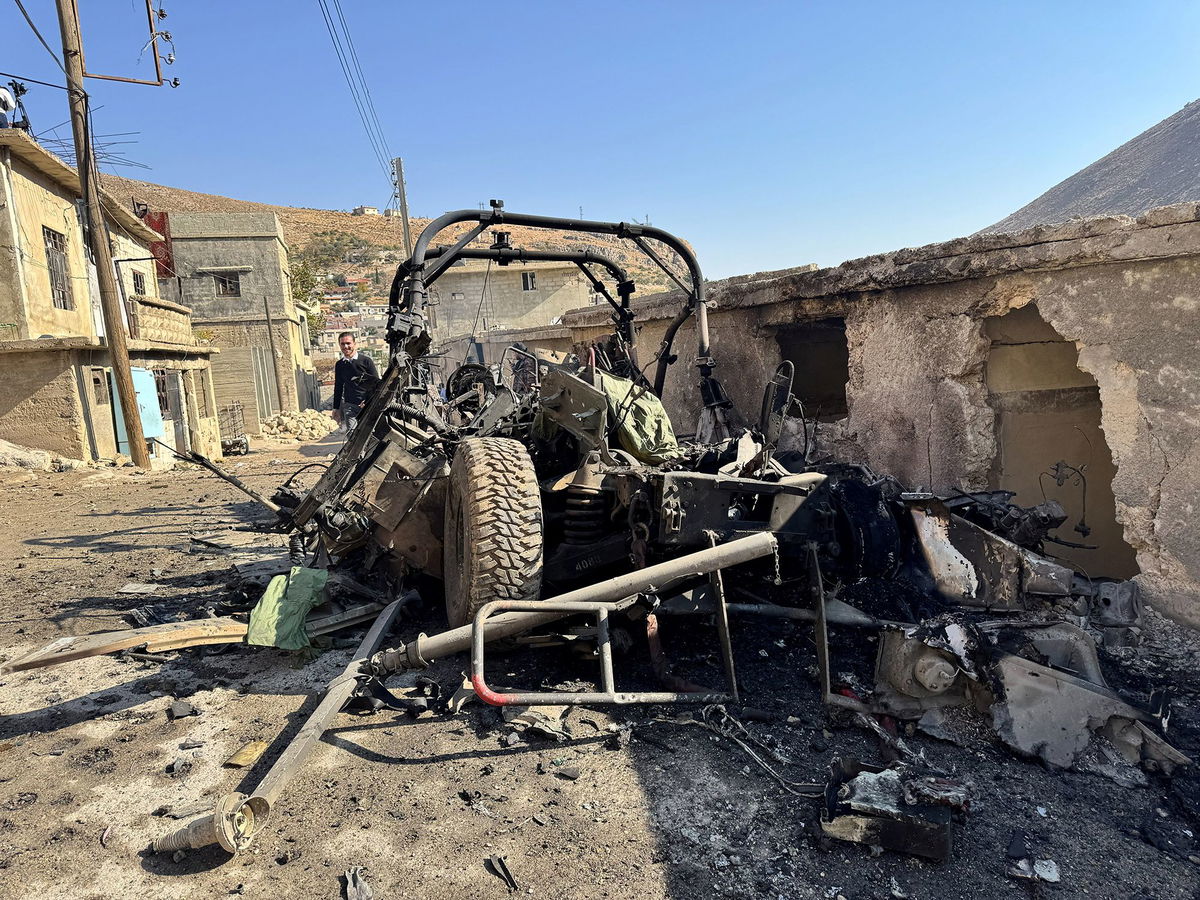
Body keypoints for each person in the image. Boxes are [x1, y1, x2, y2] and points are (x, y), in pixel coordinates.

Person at [329, 332, 379, 434]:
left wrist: (367, 401)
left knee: (369, 434)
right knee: (352, 435)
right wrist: (336, 408)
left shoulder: (366, 361)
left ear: (354, 344)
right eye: (342, 344)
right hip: (350, 406)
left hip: (367, 406)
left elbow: (376, 384)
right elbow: (338, 386)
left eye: (348, 343)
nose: (346, 347)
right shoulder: (340, 365)